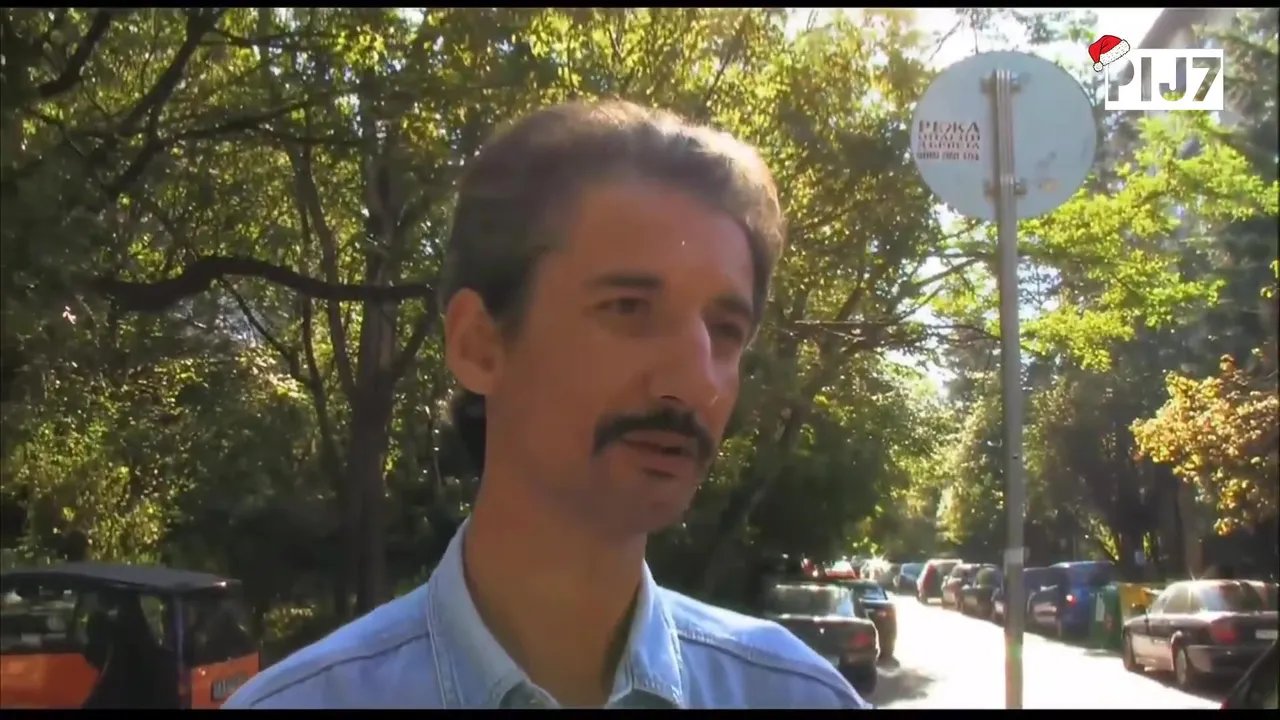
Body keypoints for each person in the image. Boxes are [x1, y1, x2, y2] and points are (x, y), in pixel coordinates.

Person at [224, 100, 870, 709]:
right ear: (479, 344)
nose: (695, 381)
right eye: (628, 309)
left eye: (725, 331)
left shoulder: (799, 696)